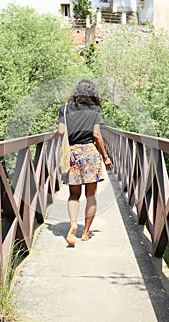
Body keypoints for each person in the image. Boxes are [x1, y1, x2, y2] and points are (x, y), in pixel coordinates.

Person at [57, 79, 113, 247]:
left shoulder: (64, 109)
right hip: (90, 154)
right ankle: (86, 233)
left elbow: (61, 132)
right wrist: (106, 157)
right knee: (91, 197)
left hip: (73, 154)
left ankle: (73, 223)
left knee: (74, 195)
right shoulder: (95, 110)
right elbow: (96, 136)